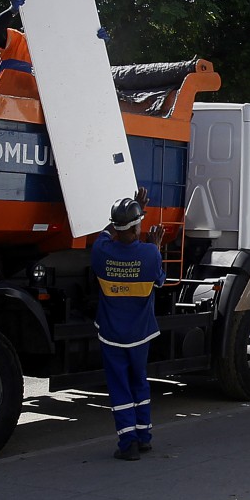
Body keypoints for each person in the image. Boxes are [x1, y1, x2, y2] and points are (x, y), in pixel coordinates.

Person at [91, 191, 165, 460]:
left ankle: (128, 444)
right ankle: (144, 437)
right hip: (140, 334)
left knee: (119, 387)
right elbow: (159, 281)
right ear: (137, 226)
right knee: (140, 384)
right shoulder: (150, 254)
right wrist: (155, 246)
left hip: (111, 335)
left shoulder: (101, 251)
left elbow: (105, 232)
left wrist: (123, 219)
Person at [0, 0, 41, 100]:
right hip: (4, 104)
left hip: (36, 111)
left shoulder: (55, 52)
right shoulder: (17, 39)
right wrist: (11, 11)